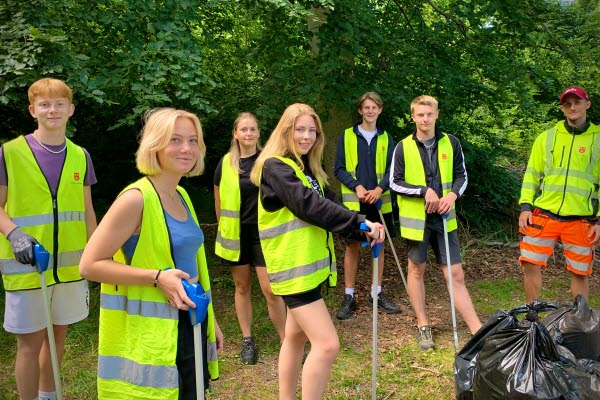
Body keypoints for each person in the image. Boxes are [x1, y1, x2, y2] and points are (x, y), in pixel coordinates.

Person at [79, 108, 223, 399]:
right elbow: (89, 265)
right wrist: (157, 278)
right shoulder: (135, 199)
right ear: (155, 144)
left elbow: (191, 264)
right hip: (154, 332)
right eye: (176, 139)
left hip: (191, 319)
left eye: (193, 140)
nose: (187, 148)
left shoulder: (181, 194)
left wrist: (211, 320)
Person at [249, 103, 384, 400]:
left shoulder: (307, 170)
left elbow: (331, 206)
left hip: (309, 271)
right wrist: (359, 222)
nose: (306, 136)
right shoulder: (276, 167)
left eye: (312, 130)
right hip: (293, 271)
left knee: (295, 338)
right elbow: (307, 206)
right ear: (286, 131)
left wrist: (363, 225)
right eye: (300, 130)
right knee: (327, 344)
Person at [0, 77, 97, 400]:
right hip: (27, 264)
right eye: (44, 104)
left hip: (69, 269)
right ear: (32, 110)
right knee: (30, 343)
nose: (52, 110)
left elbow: (86, 210)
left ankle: (48, 394)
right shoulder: (9, 153)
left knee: (58, 337)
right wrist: (14, 234)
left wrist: (98, 254)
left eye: (59, 104)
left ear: (70, 110)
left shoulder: (81, 156)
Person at [390, 95, 482, 351]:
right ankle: (423, 325)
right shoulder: (402, 147)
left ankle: (476, 328)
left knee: (455, 273)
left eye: (429, 114)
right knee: (416, 271)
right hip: (416, 221)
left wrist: (452, 195)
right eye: (420, 115)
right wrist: (423, 191)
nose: (425, 119)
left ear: (437, 115)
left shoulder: (451, 142)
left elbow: (461, 176)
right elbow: (394, 182)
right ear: (413, 117)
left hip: (444, 218)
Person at [214, 112, 286, 365]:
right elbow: (218, 195)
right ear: (235, 133)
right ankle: (247, 340)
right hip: (237, 235)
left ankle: (286, 341)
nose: (248, 134)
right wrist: (222, 225)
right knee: (242, 286)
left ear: (258, 133)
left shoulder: (268, 161)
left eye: (253, 129)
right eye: (243, 129)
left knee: (271, 290)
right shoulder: (226, 163)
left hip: (263, 234)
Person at [519, 86, 600, 303]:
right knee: (530, 262)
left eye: (577, 102)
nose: (573, 107)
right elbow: (531, 174)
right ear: (562, 108)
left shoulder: (598, 140)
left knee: (581, 272)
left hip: (582, 218)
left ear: (587, 104)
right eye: (567, 104)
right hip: (545, 214)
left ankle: (579, 322)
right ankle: (532, 317)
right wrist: (525, 206)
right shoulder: (546, 138)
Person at [334, 91, 401, 320]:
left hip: (379, 202)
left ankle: (376, 293)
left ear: (380, 110)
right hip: (355, 203)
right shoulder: (347, 136)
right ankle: (349, 296)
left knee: (379, 244)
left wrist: (379, 189)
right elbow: (339, 169)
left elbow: (394, 172)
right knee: (352, 246)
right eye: (366, 107)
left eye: (374, 107)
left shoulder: (386, 138)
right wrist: (358, 187)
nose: (370, 111)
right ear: (360, 110)